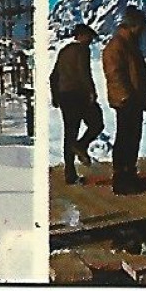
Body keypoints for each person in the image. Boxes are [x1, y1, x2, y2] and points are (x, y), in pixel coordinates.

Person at [102, 5, 146, 195]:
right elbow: (115, 74)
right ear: (134, 26)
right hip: (126, 101)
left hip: (132, 99)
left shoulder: (128, 44)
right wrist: (126, 96)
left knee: (132, 137)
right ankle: (121, 178)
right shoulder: (118, 46)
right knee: (125, 138)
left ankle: (130, 175)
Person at [50, 23, 105, 186]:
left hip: (65, 97)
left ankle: (70, 174)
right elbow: (84, 73)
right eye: (89, 37)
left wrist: (55, 96)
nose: (90, 40)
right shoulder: (83, 50)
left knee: (70, 132)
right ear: (81, 36)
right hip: (79, 95)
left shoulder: (64, 51)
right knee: (97, 124)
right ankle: (81, 145)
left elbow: (53, 76)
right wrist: (92, 93)